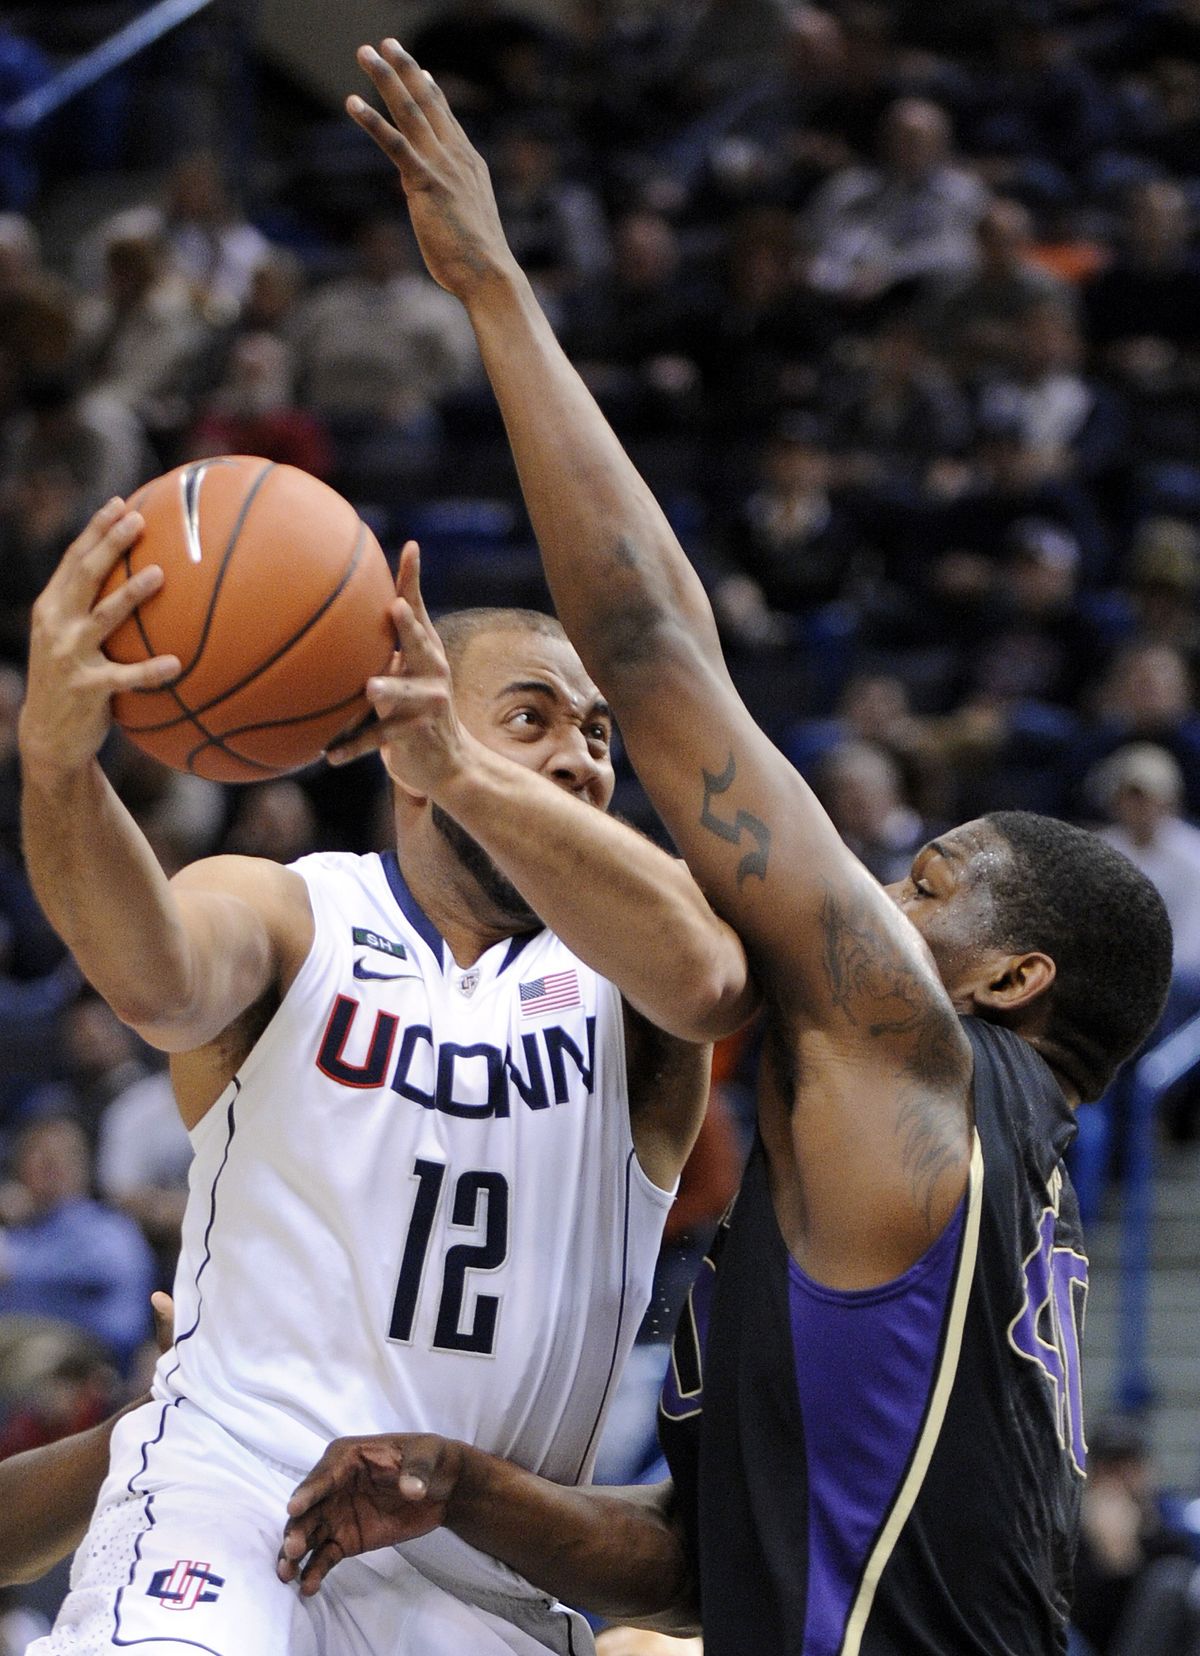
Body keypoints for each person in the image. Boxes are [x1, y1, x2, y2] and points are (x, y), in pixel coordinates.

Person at [273, 42, 1176, 1655]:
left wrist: (491, 282)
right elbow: (704, 1564)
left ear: (1012, 976)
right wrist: (458, 1483)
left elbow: (647, 639)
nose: (876, 889)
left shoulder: (914, 1051)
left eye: (928, 879)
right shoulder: (906, 1180)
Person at [17, 502, 754, 1652]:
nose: (578, 754)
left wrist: (478, 769)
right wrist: (61, 765)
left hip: (488, 1579)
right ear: (405, 736)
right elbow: (154, 981)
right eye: (532, 717)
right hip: (231, 1499)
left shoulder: (634, 979)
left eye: (600, 738)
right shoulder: (293, 910)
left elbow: (709, 978)